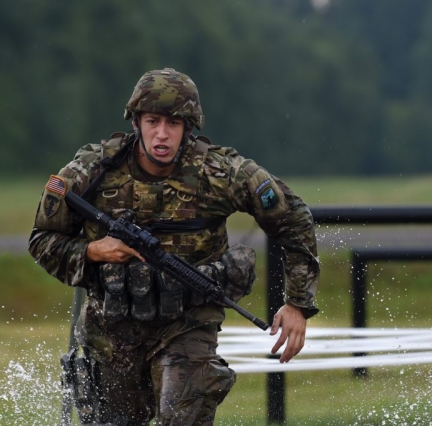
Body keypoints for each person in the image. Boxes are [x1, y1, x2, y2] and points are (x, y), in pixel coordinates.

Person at [29, 68, 319, 425]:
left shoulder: (220, 174)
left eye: (174, 123)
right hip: (111, 327)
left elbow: (294, 218)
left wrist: (297, 304)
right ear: (136, 122)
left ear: (188, 128)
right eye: (153, 121)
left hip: (187, 323)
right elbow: (42, 239)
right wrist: (93, 251)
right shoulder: (90, 172)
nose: (162, 134)